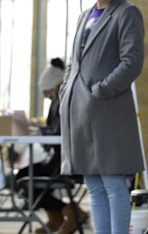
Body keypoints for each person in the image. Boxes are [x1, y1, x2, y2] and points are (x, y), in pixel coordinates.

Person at [59, 0, 145, 234]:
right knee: (93, 187)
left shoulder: (127, 12)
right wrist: (66, 92)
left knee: (114, 185)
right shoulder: (85, 16)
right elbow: (74, 62)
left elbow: (131, 61)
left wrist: (102, 89)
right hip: (80, 114)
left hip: (109, 112)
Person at [13, 58, 89, 234]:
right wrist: (40, 131)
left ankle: (71, 212)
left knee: (26, 182)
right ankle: (57, 216)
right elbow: (54, 128)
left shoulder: (66, 98)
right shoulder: (57, 100)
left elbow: (61, 131)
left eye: (47, 91)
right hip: (56, 158)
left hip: (65, 161)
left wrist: (41, 133)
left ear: (55, 84)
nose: (47, 96)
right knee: (22, 178)